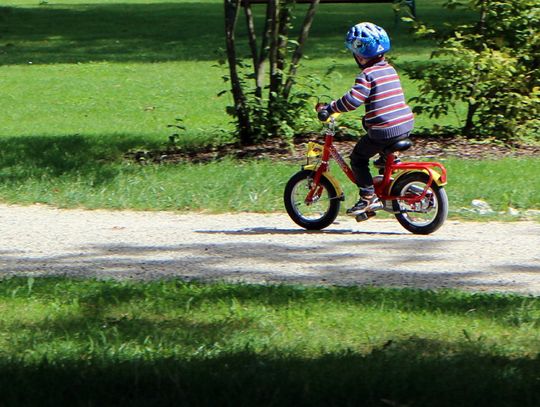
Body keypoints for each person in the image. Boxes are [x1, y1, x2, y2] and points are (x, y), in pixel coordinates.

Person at [317, 22, 414, 216]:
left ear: (360, 55)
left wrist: (330, 108)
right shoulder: (390, 70)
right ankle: (385, 162)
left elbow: (353, 100)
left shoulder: (367, 75)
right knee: (371, 126)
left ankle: (368, 197)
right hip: (405, 124)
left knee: (358, 159)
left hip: (384, 131)